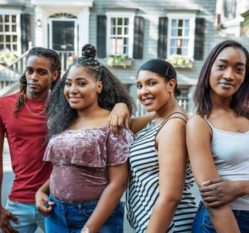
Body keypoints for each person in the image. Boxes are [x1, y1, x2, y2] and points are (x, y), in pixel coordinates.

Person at [186, 40, 249, 233]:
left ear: (245, 77)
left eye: (239, 70)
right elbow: (214, 200)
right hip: (219, 223)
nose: (229, 75)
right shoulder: (199, 123)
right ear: (209, 69)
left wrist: (240, 187)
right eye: (222, 66)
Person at [35, 44, 134, 233]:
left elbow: (118, 183)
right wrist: (42, 191)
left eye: (81, 83)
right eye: (68, 83)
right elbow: (64, 166)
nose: (72, 89)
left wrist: (90, 228)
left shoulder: (112, 121)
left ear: (99, 85)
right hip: (55, 213)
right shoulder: (63, 121)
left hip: (95, 217)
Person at [126, 59, 197, 233]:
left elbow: (171, 196)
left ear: (171, 85)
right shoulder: (159, 118)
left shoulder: (173, 125)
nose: (144, 92)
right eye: (139, 86)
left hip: (170, 226)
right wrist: (121, 106)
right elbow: (127, 125)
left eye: (151, 83)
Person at [0, 47, 61, 233]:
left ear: (55, 75)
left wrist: (120, 106)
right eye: (30, 70)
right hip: (19, 201)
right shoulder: (4, 105)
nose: (34, 77)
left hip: (55, 202)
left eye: (42, 72)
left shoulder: (63, 107)